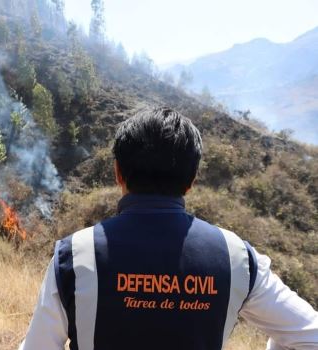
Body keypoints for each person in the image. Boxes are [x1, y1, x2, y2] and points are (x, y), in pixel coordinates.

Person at [19, 107, 318, 350]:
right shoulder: (236, 258)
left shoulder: (73, 255)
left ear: (117, 173)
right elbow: (310, 336)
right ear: (192, 180)